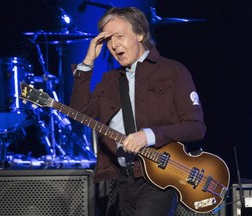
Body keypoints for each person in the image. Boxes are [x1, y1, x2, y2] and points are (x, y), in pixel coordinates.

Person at [70, 6, 206, 216]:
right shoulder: (110, 81)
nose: (114, 45)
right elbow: (80, 112)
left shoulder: (172, 71)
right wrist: (88, 63)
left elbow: (196, 128)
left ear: (140, 34)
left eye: (120, 36)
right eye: (108, 40)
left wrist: (149, 135)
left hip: (158, 179)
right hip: (121, 179)